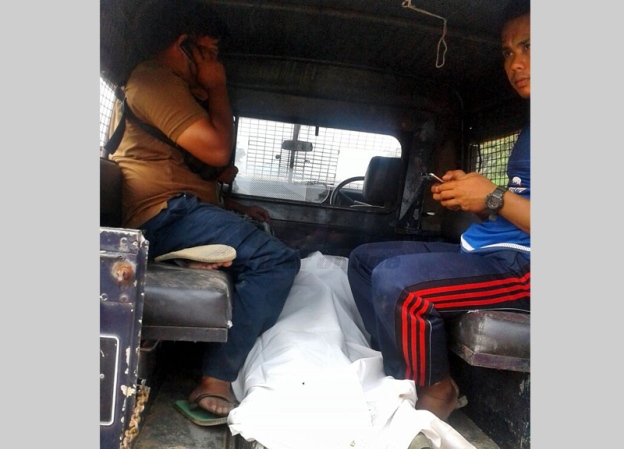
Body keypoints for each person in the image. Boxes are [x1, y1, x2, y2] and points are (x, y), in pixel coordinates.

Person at [108, 0, 301, 417]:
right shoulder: (154, 79)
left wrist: (234, 205)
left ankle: (187, 258)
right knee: (277, 261)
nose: (216, 63)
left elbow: (186, 167)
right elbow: (216, 150)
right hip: (165, 215)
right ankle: (216, 378)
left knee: (260, 239)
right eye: (209, 53)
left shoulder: (174, 87)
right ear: (183, 45)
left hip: (180, 210)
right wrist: (217, 87)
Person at [346, 0, 530, 421]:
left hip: (527, 268)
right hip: (492, 250)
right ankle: (402, 369)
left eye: (529, 47)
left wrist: (494, 196)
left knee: (399, 283)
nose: (515, 64)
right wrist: (476, 201)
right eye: (508, 52)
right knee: (364, 261)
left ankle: (438, 390)